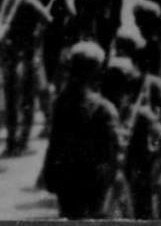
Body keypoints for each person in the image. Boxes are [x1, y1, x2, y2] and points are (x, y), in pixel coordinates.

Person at [44, 42, 123, 219]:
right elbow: (114, 153)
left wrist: (49, 174)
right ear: (95, 72)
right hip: (94, 185)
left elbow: (54, 144)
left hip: (67, 182)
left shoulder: (61, 102)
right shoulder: (103, 108)